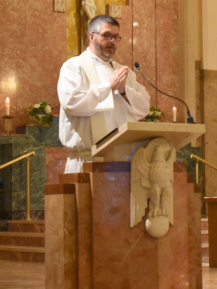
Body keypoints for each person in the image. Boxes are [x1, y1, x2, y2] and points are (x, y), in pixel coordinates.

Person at [57, 14, 151, 173]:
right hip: (87, 161)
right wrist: (109, 87)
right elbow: (71, 103)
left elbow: (144, 107)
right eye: (106, 35)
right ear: (91, 36)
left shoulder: (123, 73)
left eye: (116, 37)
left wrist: (123, 91)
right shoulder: (73, 66)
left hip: (123, 161)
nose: (112, 41)